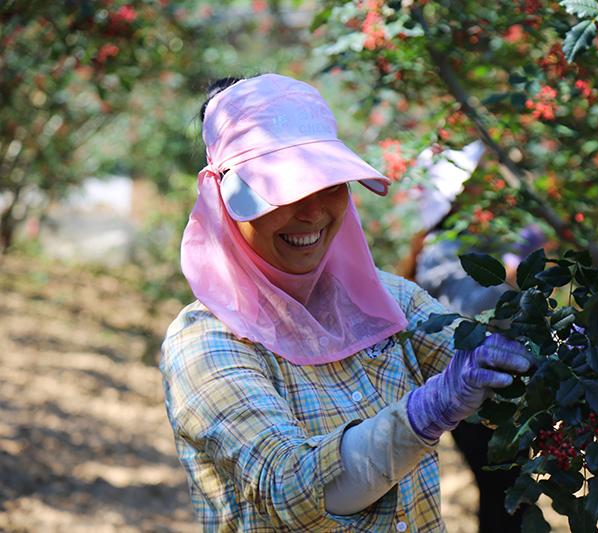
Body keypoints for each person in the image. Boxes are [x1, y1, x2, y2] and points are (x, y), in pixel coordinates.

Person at [159, 73, 535, 532]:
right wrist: (425, 411)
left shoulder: (388, 301)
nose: (313, 211)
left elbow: (512, 390)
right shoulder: (208, 342)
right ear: (226, 198)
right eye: (286, 191)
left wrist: (565, 352)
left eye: (328, 183)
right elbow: (290, 489)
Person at [397, 144, 545, 532]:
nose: (484, 185)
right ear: (457, 194)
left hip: (495, 391)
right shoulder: (444, 250)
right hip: (480, 399)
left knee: (507, 491)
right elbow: (477, 319)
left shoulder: (468, 240)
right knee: (506, 494)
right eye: (473, 180)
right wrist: (515, 270)